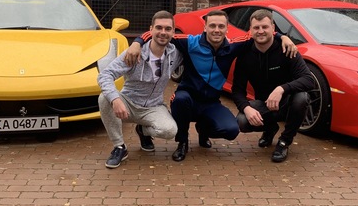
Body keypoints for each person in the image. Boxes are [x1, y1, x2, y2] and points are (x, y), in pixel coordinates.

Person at [126, 10, 296, 162]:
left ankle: (203, 130)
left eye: (221, 26)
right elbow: (161, 33)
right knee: (180, 100)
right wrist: (137, 42)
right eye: (212, 25)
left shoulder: (234, 46)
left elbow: (260, 33)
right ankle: (182, 143)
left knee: (231, 130)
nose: (216, 30)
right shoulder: (190, 42)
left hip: (211, 102)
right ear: (205, 27)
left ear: (227, 29)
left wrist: (283, 37)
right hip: (188, 98)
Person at [97, 10, 182, 168]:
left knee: (170, 131)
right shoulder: (134, 53)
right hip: (128, 104)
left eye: (168, 29)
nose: (163, 32)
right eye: (159, 28)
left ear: (173, 32)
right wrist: (115, 99)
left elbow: (199, 40)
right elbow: (105, 75)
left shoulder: (175, 53)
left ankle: (143, 131)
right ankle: (119, 147)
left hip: (154, 106)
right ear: (150, 30)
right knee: (104, 98)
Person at [231, 9, 315, 162]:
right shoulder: (245, 54)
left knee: (302, 98)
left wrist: (282, 89)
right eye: (256, 28)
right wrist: (247, 108)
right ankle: (270, 128)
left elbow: (309, 80)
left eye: (265, 27)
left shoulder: (287, 49)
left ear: (273, 28)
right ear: (250, 30)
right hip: (265, 104)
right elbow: (237, 90)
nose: (260, 31)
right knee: (242, 121)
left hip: (288, 104)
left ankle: (284, 142)